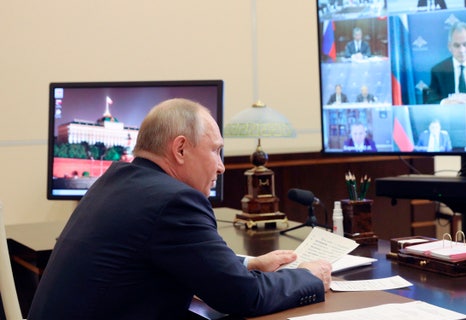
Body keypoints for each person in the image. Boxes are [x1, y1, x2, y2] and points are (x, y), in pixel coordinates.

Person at [28, 98, 332, 319]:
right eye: (215, 150)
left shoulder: (113, 181)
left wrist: (246, 265)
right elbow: (244, 297)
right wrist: (308, 276)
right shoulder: (175, 201)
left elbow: (161, 259)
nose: (222, 166)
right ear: (181, 148)